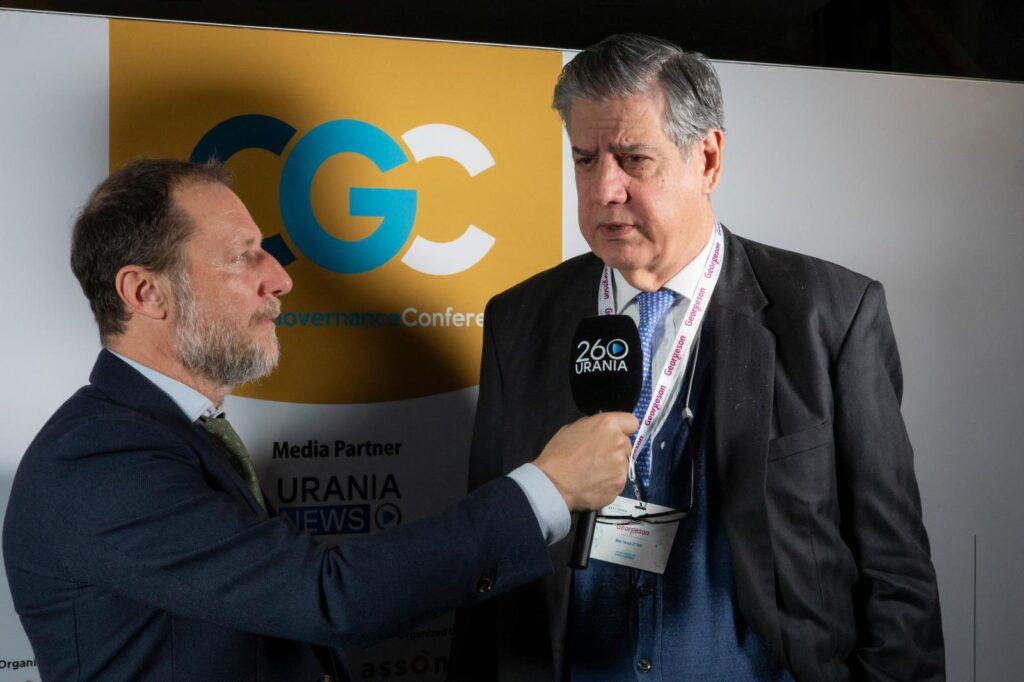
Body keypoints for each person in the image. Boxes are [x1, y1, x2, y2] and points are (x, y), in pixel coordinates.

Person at [1, 158, 637, 681]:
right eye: (243, 256)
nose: (280, 279)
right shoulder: (98, 461)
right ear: (145, 293)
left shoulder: (173, 433)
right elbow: (332, 598)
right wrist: (549, 487)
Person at [449, 34, 944, 681]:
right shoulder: (518, 321)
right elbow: (487, 556)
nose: (605, 189)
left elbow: (895, 573)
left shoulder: (831, 315)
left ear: (707, 159)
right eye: (585, 159)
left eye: (633, 158)